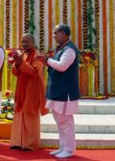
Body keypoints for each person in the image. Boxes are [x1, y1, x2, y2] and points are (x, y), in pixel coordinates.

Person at [38, 24, 80, 159]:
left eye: (56, 33)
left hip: (65, 91)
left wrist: (47, 60)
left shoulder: (70, 49)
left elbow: (62, 66)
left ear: (63, 33)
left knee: (66, 122)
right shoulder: (61, 49)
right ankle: (63, 146)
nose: (54, 35)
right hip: (57, 90)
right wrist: (46, 62)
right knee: (59, 121)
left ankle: (68, 149)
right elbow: (55, 65)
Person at [9, 33, 47, 151]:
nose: (24, 44)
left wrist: (22, 63)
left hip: (31, 90)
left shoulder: (37, 56)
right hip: (21, 89)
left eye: (27, 42)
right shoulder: (23, 54)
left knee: (30, 114)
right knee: (19, 114)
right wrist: (17, 62)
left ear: (32, 42)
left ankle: (30, 144)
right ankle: (17, 141)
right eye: (23, 42)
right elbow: (15, 72)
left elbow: (34, 72)